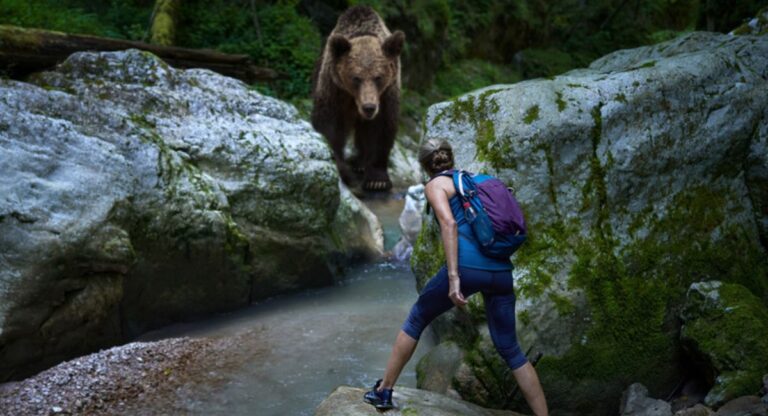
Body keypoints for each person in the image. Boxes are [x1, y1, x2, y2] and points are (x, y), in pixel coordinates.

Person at [363, 138, 549, 415]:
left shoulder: (435, 185)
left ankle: (384, 391)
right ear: (451, 157)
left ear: (425, 165)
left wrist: (453, 278)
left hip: (468, 269)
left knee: (417, 318)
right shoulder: (476, 181)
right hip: (501, 272)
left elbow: (448, 223)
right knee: (511, 350)